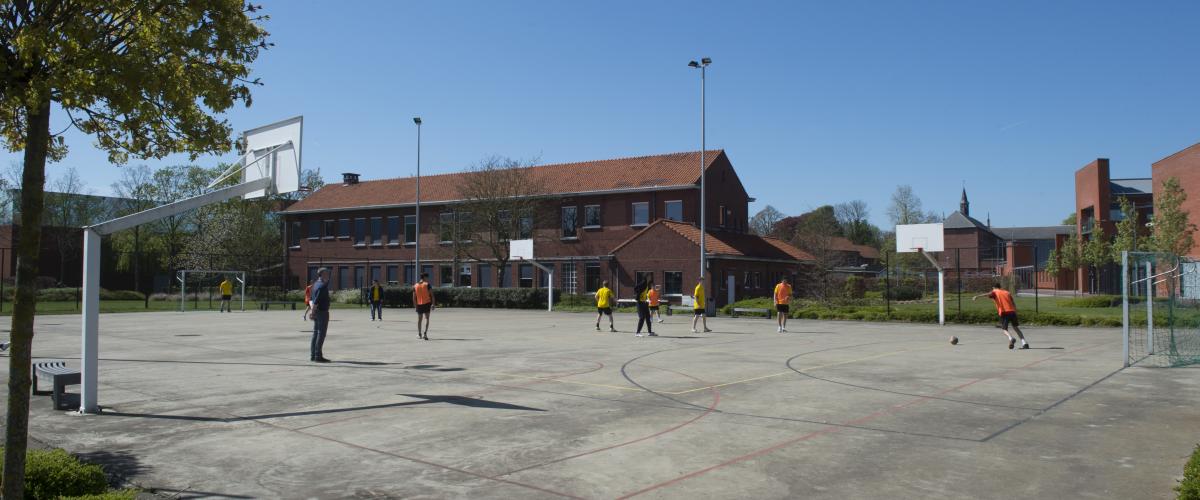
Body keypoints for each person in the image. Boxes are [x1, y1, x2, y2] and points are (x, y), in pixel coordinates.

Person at [973, 283, 1030, 349]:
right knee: (1016, 328)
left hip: (1004, 312)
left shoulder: (995, 292)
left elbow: (987, 294)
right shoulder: (1007, 292)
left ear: (993, 287)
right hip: (1012, 312)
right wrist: (1015, 311)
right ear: (1000, 287)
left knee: (1004, 329)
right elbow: (1013, 302)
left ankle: (1011, 338)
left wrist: (977, 296)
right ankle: (1024, 343)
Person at [309, 268, 331, 362]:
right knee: (321, 334)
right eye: (326, 273)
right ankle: (318, 356)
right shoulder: (322, 286)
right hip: (322, 312)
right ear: (321, 274)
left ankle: (313, 355)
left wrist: (312, 311)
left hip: (317, 311)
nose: (328, 275)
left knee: (315, 333)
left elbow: (311, 299)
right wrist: (312, 312)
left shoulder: (315, 285)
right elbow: (316, 301)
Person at [413, 273, 435, 340]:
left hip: (419, 304)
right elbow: (432, 295)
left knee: (419, 319)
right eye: (427, 277)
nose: (428, 279)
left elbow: (414, 298)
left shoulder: (415, 285)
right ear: (425, 277)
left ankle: (419, 334)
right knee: (427, 318)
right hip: (427, 303)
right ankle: (425, 334)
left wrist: (415, 306)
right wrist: (433, 304)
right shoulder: (427, 285)